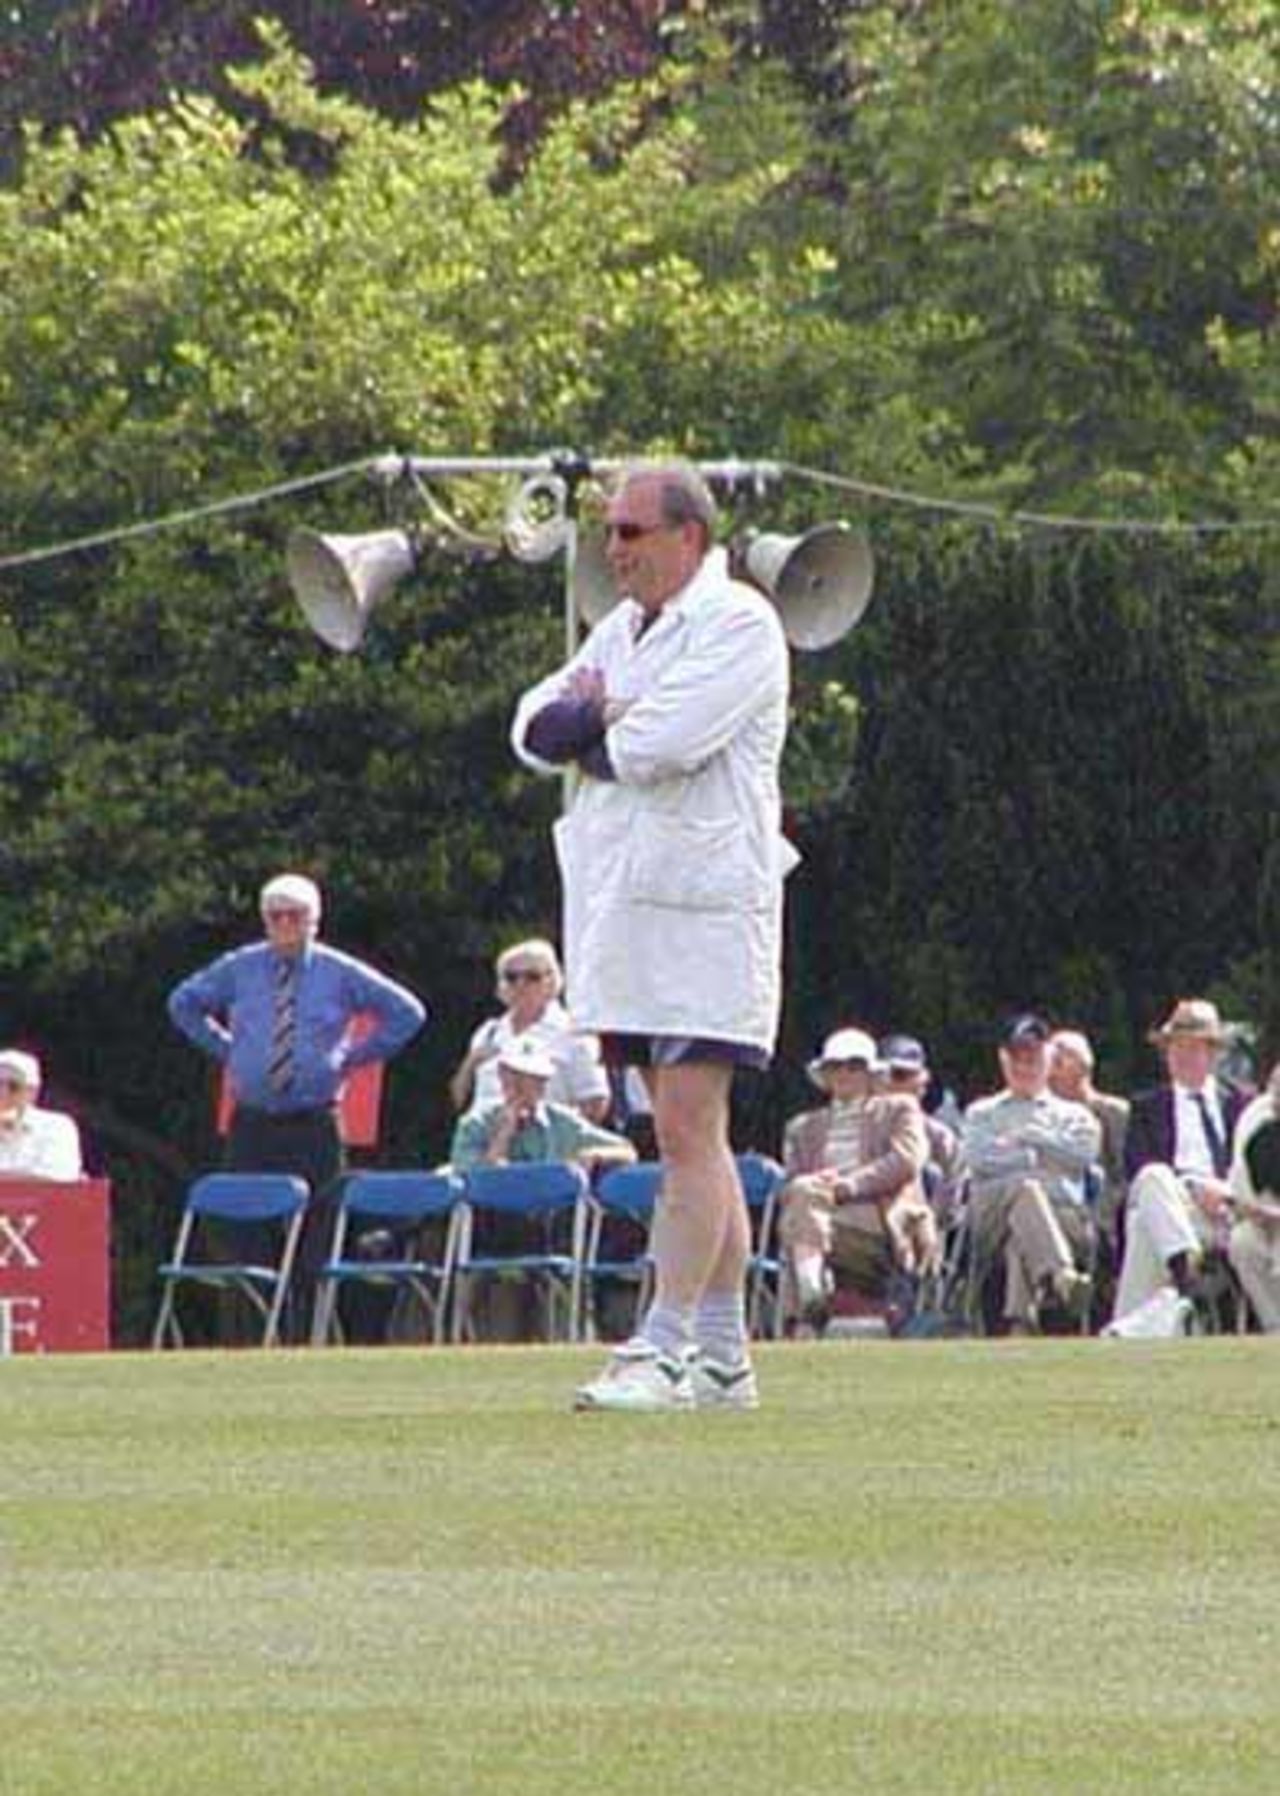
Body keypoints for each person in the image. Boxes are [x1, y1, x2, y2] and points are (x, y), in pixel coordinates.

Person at [511, 460, 794, 1411]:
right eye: (610, 531)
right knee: (677, 1133)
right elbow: (531, 728)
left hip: (709, 917)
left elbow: (655, 746)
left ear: (690, 538)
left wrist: (599, 723)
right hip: (627, 920)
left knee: (687, 1127)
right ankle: (724, 1356)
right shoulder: (622, 632)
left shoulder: (741, 625)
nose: (613, 548)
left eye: (632, 531)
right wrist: (597, 713)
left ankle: (664, 1343)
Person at [167, 872, 426, 1339]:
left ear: (315, 920)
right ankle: (250, 1337)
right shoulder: (240, 967)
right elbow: (183, 1004)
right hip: (254, 1121)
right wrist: (230, 1050)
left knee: (316, 1235)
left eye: (296, 915)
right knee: (246, 1233)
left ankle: (310, 1336)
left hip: (314, 1122)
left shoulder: (339, 971)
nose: (285, 924)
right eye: (275, 916)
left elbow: (407, 1013)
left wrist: (350, 1058)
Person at [1105, 998, 1251, 1338]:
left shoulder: (1241, 1106)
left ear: (1213, 1054)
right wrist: (1189, 1187)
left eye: (1192, 1047)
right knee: (1154, 1181)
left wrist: (1225, 1195)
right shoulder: (1145, 1109)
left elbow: (1258, 1172)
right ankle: (1186, 1275)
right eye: (1175, 1047)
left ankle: (1125, 1330)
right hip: (1175, 1208)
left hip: (1230, 1215)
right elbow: (1137, 1174)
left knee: (1145, 1225)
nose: (1181, 1056)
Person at [777, 1028, 933, 1334]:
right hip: (820, 1217)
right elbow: (792, 1184)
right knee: (801, 1195)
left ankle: (807, 1309)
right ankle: (812, 1295)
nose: (844, 1073)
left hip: (880, 1221)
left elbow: (906, 1161)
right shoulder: (802, 1127)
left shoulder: (898, 1109)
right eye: (835, 1065)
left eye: (854, 1065)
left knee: (801, 1210)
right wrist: (814, 1185)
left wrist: (847, 1186)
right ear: (824, 1073)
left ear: (871, 1073)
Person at [960, 1014, 1100, 1334]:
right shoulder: (982, 1113)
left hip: (1063, 1215)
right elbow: (980, 1160)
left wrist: (1033, 1138)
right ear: (1002, 1060)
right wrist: (1037, 1157)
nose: (1024, 1067)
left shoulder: (1075, 1115)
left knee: (1021, 1234)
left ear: (1050, 1059)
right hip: (991, 1215)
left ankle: (1020, 1325)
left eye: (1033, 1058)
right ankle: (1063, 1277)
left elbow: (1082, 1157)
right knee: (1025, 1189)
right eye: (1016, 1058)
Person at [447, 937, 610, 1122]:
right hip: (483, 1140)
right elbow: (458, 1099)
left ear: (552, 981)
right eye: (511, 977)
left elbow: (595, 1102)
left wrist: (559, 1139)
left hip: (543, 1143)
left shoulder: (575, 1034)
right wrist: (471, 1062)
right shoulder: (488, 1032)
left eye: (532, 977)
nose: (520, 984)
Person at [450, 1036, 637, 1173]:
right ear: (501, 1075)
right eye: (510, 1074)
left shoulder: (562, 1123)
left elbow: (628, 1151)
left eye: (528, 1078)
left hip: (551, 1218)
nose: (516, 1085)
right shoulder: (475, 1125)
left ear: (543, 1084)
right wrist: (504, 1135)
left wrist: (595, 1156)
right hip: (490, 1219)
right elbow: (480, 1181)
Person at [1226, 1064, 1280, 1331]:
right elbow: (1242, 1194)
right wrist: (1264, 1216)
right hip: (1266, 1222)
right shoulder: (1258, 1129)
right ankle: (1274, 1327)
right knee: (1242, 1241)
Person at [0, 1049, 84, 1181]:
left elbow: (56, 1179)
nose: (2, 1093)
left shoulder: (56, 1126)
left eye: (13, 1086)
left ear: (32, 1092)